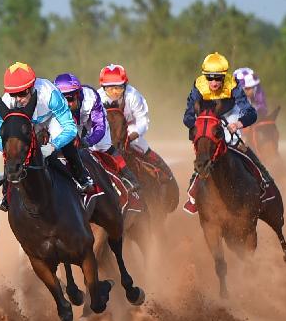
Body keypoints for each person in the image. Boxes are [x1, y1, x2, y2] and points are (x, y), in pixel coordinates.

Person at [182, 53, 274, 213]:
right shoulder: (198, 85)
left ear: (224, 76)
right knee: (205, 150)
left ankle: (264, 180)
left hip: (230, 115)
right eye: (210, 78)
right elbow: (188, 116)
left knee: (235, 143)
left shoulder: (233, 85)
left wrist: (238, 123)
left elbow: (250, 113)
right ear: (205, 77)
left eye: (218, 78)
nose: (214, 82)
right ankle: (194, 191)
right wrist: (198, 126)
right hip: (207, 119)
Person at [0, 62, 95, 211]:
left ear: (32, 87)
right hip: (27, 124)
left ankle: (81, 177)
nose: (17, 99)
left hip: (50, 119)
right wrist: (12, 148)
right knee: (13, 148)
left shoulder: (50, 94)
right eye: (13, 94)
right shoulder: (6, 102)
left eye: (22, 93)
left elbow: (70, 128)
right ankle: (6, 193)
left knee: (63, 145)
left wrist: (53, 146)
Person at [53, 72, 140, 191]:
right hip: (70, 121)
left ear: (78, 94)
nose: (65, 105)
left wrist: (88, 141)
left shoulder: (91, 97)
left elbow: (99, 127)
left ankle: (129, 177)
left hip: (90, 120)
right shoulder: (52, 103)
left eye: (69, 99)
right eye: (61, 100)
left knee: (101, 146)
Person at [97, 64, 176, 183]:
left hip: (130, 127)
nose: (114, 92)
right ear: (103, 88)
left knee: (140, 145)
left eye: (118, 88)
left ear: (125, 85)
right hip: (107, 129)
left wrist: (132, 136)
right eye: (109, 88)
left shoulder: (133, 96)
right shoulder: (97, 97)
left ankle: (163, 171)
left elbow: (143, 121)